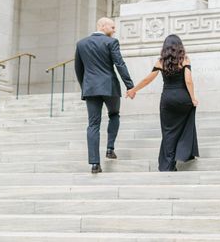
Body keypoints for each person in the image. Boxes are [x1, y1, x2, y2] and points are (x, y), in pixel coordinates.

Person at [126, 33, 199, 171]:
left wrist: (133, 90)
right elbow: (188, 80)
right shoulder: (184, 60)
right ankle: (185, 153)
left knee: (168, 132)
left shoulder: (160, 62)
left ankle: (168, 165)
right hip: (183, 98)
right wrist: (193, 98)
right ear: (179, 46)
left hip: (167, 100)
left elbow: (147, 79)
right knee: (186, 126)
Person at [74, 17, 135, 174]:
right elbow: (120, 64)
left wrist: (85, 87)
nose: (114, 30)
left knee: (93, 124)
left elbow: (78, 70)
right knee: (114, 114)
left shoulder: (81, 44)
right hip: (109, 87)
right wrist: (130, 85)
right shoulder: (111, 42)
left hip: (91, 89)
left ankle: (95, 164)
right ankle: (110, 148)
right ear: (102, 26)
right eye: (112, 27)